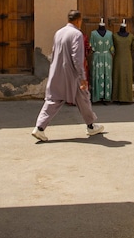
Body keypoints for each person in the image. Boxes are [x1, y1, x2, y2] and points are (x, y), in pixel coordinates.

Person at [32, 10, 105, 142]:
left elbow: (54, 53)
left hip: (57, 72)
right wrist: (82, 77)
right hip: (72, 75)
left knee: (54, 100)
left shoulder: (59, 33)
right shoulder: (77, 34)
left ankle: (39, 127)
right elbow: (77, 58)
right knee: (83, 98)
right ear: (78, 20)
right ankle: (91, 126)